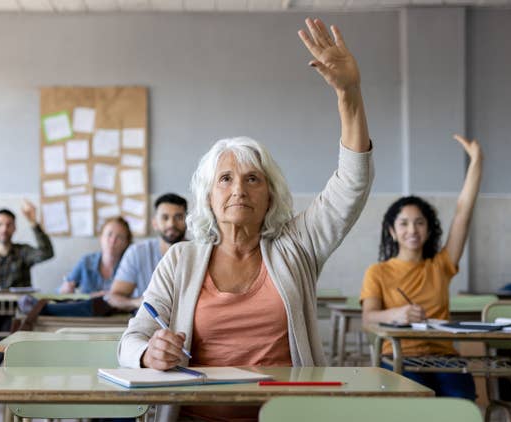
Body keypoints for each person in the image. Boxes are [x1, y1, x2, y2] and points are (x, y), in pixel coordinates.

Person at [118, 18, 373, 422]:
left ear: (269, 193)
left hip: (284, 416)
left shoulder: (297, 246)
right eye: (226, 179)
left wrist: (350, 95)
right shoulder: (181, 261)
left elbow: (351, 186)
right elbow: (133, 337)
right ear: (208, 197)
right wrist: (148, 353)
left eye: (253, 179)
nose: (239, 189)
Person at [360, 134, 483, 400]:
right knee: (413, 405)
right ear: (392, 231)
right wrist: (396, 314)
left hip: (444, 357)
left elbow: (463, 212)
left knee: (462, 405)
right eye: (404, 223)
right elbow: (368, 318)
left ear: (428, 230)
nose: (412, 230)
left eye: (419, 222)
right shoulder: (378, 272)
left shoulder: (441, 264)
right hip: (398, 357)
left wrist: (476, 162)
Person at [31, 193, 188, 318]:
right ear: (154, 222)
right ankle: (42, 307)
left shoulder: (201, 253)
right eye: (165, 217)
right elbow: (114, 297)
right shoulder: (137, 253)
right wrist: (138, 302)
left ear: (187, 220)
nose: (171, 224)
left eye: (178, 217)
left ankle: (41, 307)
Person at [57, 216, 133, 296]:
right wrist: (64, 289)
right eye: (109, 234)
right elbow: (62, 289)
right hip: (87, 308)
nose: (113, 241)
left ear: (126, 243)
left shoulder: (130, 265)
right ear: (101, 237)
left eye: (119, 237)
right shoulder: (86, 261)